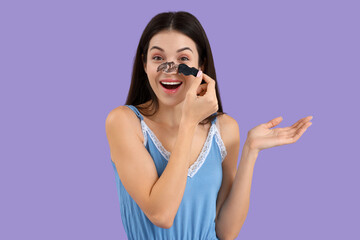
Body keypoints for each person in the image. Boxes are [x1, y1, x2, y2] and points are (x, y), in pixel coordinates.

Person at [105, 11, 313, 240]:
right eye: (158, 58)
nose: (170, 69)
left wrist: (250, 150)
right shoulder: (124, 122)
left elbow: (226, 232)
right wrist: (188, 121)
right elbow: (162, 214)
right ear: (144, 64)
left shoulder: (225, 129)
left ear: (200, 65)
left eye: (183, 60)